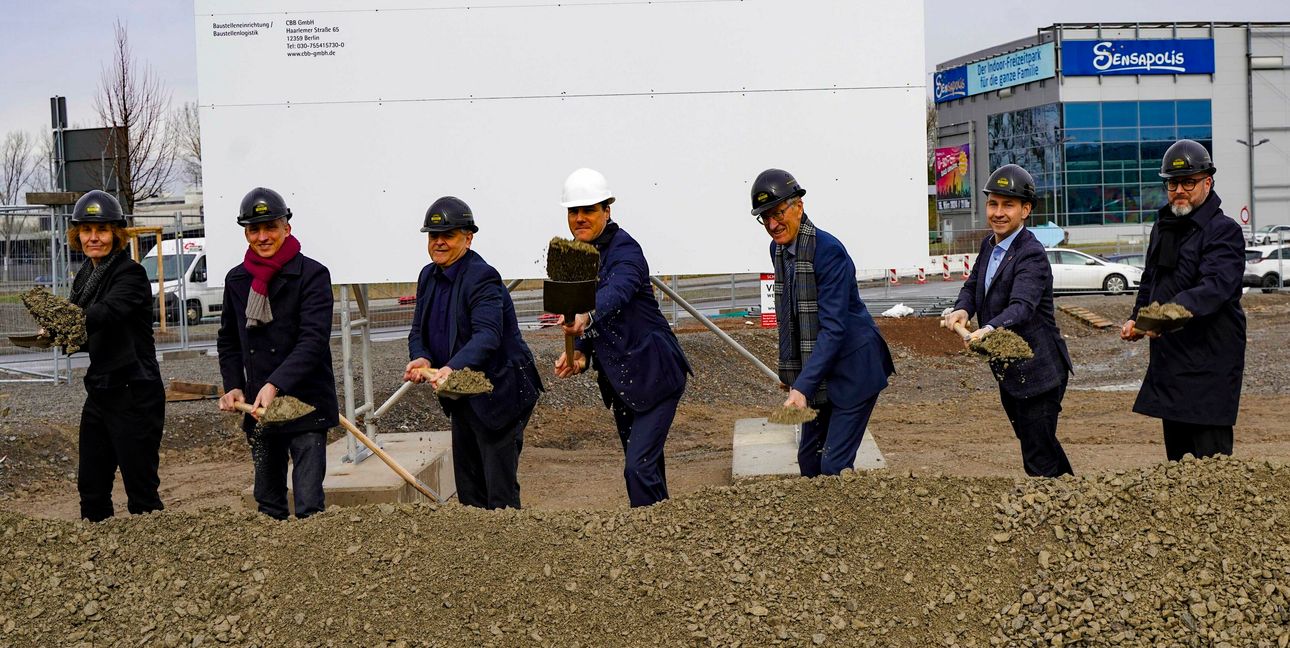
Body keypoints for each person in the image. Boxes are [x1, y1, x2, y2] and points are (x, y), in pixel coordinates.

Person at [553, 168, 691, 507]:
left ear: (607, 211)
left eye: (589, 210)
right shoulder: (578, 256)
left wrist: (586, 315)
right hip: (623, 384)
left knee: (638, 469)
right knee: (647, 469)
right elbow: (586, 321)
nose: (580, 218)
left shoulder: (625, 249)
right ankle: (660, 526)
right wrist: (581, 353)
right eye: (574, 211)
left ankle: (646, 531)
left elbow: (617, 291)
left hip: (656, 374)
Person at [753, 169, 895, 477]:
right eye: (765, 218)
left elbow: (833, 329)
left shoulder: (829, 252)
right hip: (821, 374)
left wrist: (803, 385)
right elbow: (791, 314)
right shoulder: (778, 249)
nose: (773, 225)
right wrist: (795, 374)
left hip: (854, 370)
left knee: (833, 467)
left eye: (778, 213)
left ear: (799, 207)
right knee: (809, 462)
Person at [404, 196, 542, 510]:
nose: (438, 242)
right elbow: (418, 331)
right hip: (462, 396)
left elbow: (488, 335)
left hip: (500, 394)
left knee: (498, 491)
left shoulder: (482, 277)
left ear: (468, 238)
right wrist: (422, 357)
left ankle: (508, 539)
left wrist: (451, 368)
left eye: (448, 235)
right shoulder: (428, 276)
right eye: (433, 236)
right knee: (469, 491)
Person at [944, 164, 1074, 478]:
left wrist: (987, 329)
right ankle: (1072, 494)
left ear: (1025, 210)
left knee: (1038, 455)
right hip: (1011, 371)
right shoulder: (989, 246)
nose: (998, 213)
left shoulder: (1031, 254)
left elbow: (1022, 307)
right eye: (993, 204)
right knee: (1038, 444)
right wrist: (963, 310)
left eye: (1008, 205)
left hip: (1039, 372)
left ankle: (1053, 500)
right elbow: (973, 286)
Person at [1120, 139, 1245, 461]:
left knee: (1210, 463)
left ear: (1208, 182)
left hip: (1210, 361)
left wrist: (1163, 317)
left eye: (1188, 182)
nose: (1179, 190)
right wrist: (1138, 318)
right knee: (1177, 463)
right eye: (1172, 183)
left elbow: (1215, 288)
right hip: (1170, 360)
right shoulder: (1164, 227)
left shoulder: (1224, 231)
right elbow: (1151, 281)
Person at [217, 187, 338, 520]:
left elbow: (312, 341)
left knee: (309, 503)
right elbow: (229, 340)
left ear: (287, 227)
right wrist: (234, 385)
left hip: (305, 403)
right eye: (254, 229)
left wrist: (275, 384)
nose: (263, 236)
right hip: (260, 410)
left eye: (270, 227)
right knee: (268, 503)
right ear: (246, 233)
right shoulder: (237, 280)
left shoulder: (312, 275)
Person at [66, 190, 166, 522]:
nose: (93, 237)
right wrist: (57, 332)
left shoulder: (130, 274)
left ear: (117, 234)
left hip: (135, 393)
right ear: (77, 235)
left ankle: (153, 550)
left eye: (102, 230)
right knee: (91, 488)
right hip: (101, 390)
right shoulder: (86, 277)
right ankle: (99, 548)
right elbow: (87, 332)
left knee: (141, 492)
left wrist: (64, 321)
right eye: (86, 230)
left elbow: (106, 313)